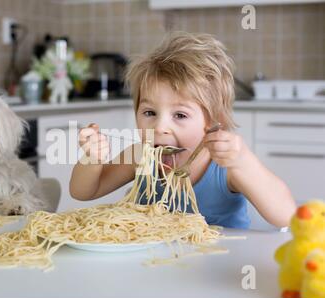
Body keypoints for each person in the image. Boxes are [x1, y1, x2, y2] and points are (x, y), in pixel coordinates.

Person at [70, 32, 296, 229]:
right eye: (149, 113)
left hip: (216, 266)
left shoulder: (224, 167)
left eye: (180, 115)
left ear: (212, 120)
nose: (159, 127)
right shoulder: (140, 156)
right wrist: (92, 158)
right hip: (155, 263)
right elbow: (84, 192)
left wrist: (244, 161)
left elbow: (287, 217)